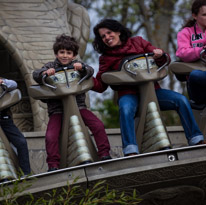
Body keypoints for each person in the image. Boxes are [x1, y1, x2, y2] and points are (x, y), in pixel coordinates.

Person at [92, 18, 205, 157]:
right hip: (129, 94)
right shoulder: (105, 58)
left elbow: (164, 58)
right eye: (103, 36)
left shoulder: (138, 42)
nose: (107, 38)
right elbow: (100, 84)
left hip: (153, 91)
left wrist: (159, 55)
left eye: (109, 33)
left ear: (118, 32)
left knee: (181, 100)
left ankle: (196, 139)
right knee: (125, 108)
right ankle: (130, 149)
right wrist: (84, 75)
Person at [33, 34, 111, 172]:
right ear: (56, 53)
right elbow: (36, 74)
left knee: (97, 125)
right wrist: (45, 73)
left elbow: (90, 70)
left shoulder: (78, 66)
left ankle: (104, 153)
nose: (65, 55)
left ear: (74, 55)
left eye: (68, 53)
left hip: (78, 107)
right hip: (58, 109)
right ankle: (53, 164)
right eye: (62, 52)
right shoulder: (50, 66)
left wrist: (81, 68)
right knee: (51, 135)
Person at [176, 0, 206, 104]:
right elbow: (182, 53)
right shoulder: (185, 33)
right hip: (197, 81)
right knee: (195, 75)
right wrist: (202, 51)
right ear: (195, 16)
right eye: (204, 15)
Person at [0, 78, 31, 176]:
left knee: (21, 142)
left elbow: (13, 84)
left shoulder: (2, 82)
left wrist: (3, 82)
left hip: (3, 118)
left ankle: (25, 172)